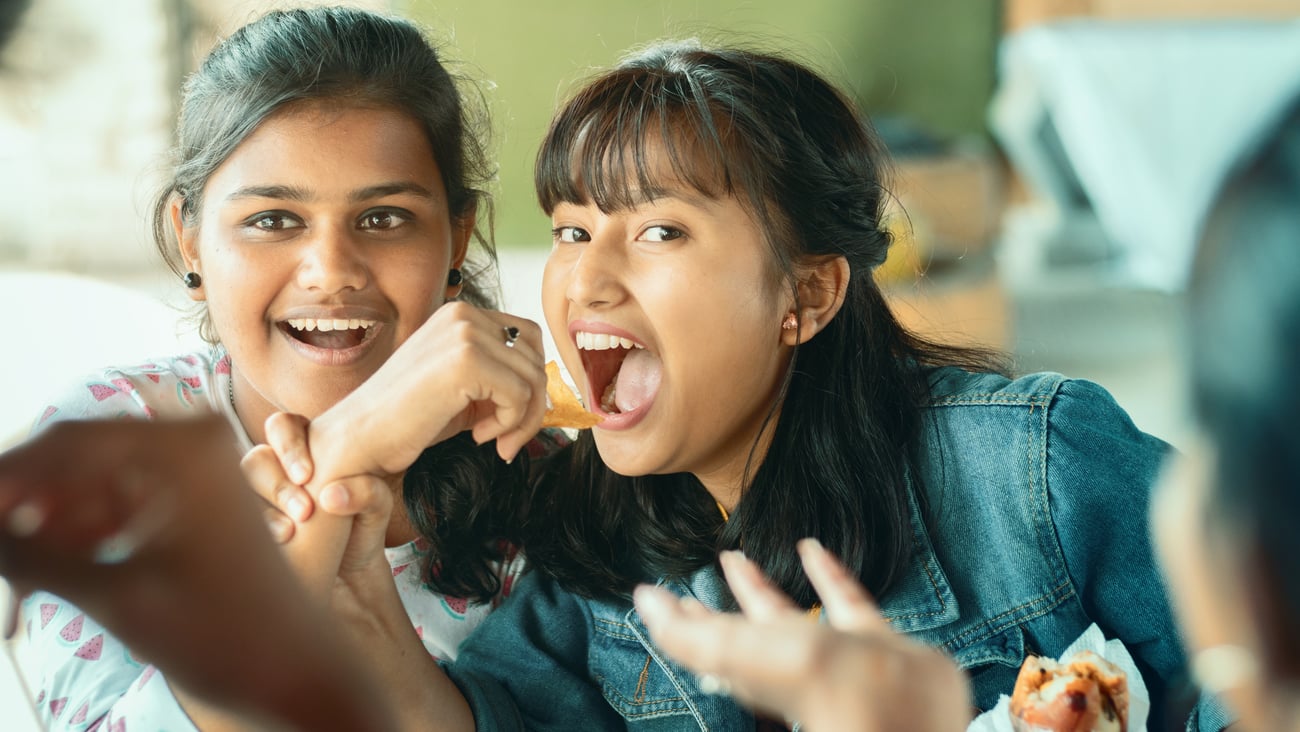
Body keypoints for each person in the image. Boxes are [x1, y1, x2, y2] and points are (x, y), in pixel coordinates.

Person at [256, 40, 1225, 730]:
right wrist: (356, 543)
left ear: (804, 295)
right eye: (569, 230)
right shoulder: (587, 564)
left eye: (659, 231)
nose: (585, 280)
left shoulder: (1035, 470)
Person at [13, 7, 552, 731]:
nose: (331, 272)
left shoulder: (541, 475)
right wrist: (344, 451)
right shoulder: (108, 443)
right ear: (191, 241)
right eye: (272, 220)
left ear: (456, 237)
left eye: (385, 217)